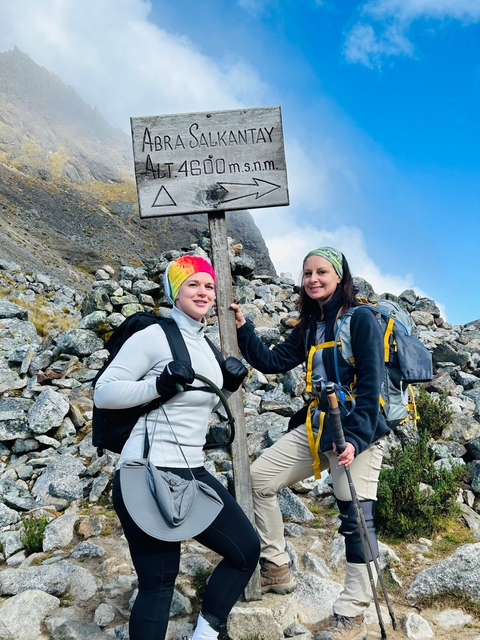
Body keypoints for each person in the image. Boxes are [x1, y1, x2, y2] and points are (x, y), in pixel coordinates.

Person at [94, 255, 260, 640]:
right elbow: (103, 393)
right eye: (192, 285)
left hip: (192, 470)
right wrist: (158, 385)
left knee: (245, 550)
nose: (202, 292)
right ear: (174, 292)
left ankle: (204, 634)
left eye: (208, 286)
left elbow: (197, 407)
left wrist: (228, 386)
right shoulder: (153, 336)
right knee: (159, 584)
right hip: (146, 471)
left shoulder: (205, 344)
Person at [231, 247, 389, 640]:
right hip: (318, 426)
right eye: (307, 274)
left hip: (358, 430)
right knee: (257, 479)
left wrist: (355, 439)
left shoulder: (363, 319)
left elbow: (372, 388)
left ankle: (351, 613)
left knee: (355, 519)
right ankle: (277, 567)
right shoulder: (310, 326)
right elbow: (270, 361)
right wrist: (243, 327)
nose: (313, 279)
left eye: (321, 272)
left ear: (340, 277)